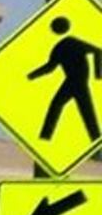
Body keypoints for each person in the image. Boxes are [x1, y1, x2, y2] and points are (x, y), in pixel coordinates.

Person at [30, 14, 102, 148]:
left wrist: (98, 74)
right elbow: (50, 67)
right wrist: (32, 75)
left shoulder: (70, 43)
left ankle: (96, 143)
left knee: (84, 111)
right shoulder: (60, 47)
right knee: (64, 107)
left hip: (78, 82)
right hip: (71, 82)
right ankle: (45, 138)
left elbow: (97, 51)